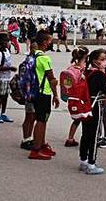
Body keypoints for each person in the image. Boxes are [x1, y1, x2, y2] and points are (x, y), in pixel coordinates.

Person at [80, 48, 106, 175]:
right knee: (94, 135)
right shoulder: (98, 75)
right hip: (95, 105)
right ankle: (91, 163)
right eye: (102, 59)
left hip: (85, 105)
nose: (105, 62)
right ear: (95, 61)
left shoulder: (86, 72)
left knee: (85, 134)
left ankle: (83, 160)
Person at [26, 30, 61, 160]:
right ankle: (35, 150)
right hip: (43, 93)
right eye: (50, 41)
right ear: (45, 42)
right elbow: (52, 79)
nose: (51, 43)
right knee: (41, 120)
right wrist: (56, 95)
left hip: (35, 92)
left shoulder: (33, 56)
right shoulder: (45, 58)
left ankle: (41, 144)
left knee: (42, 119)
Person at [63, 46, 89, 147]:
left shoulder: (71, 68)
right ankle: (86, 139)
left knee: (77, 119)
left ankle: (70, 138)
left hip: (72, 98)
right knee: (86, 117)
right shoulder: (82, 70)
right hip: (81, 98)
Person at [0, 33, 15, 123]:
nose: (8, 43)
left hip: (8, 78)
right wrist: (10, 68)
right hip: (2, 78)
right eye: (6, 41)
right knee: (0, 96)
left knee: (6, 96)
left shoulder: (7, 51)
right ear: (1, 42)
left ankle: (3, 113)